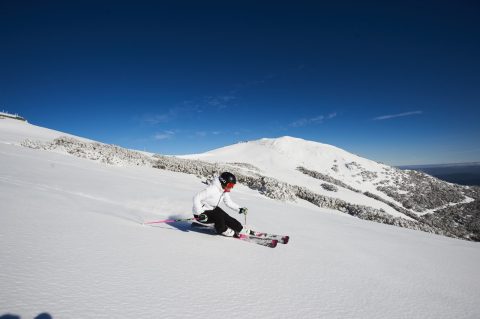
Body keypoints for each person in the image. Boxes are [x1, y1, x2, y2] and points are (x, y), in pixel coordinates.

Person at [192, 172, 248, 237]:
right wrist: (199, 213)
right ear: (224, 182)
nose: (231, 187)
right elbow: (196, 197)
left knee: (226, 217)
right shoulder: (212, 189)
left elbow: (228, 202)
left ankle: (240, 228)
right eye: (230, 185)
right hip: (201, 214)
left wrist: (239, 209)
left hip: (211, 208)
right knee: (219, 218)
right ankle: (225, 231)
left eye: (232, 186)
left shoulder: (223, 191)